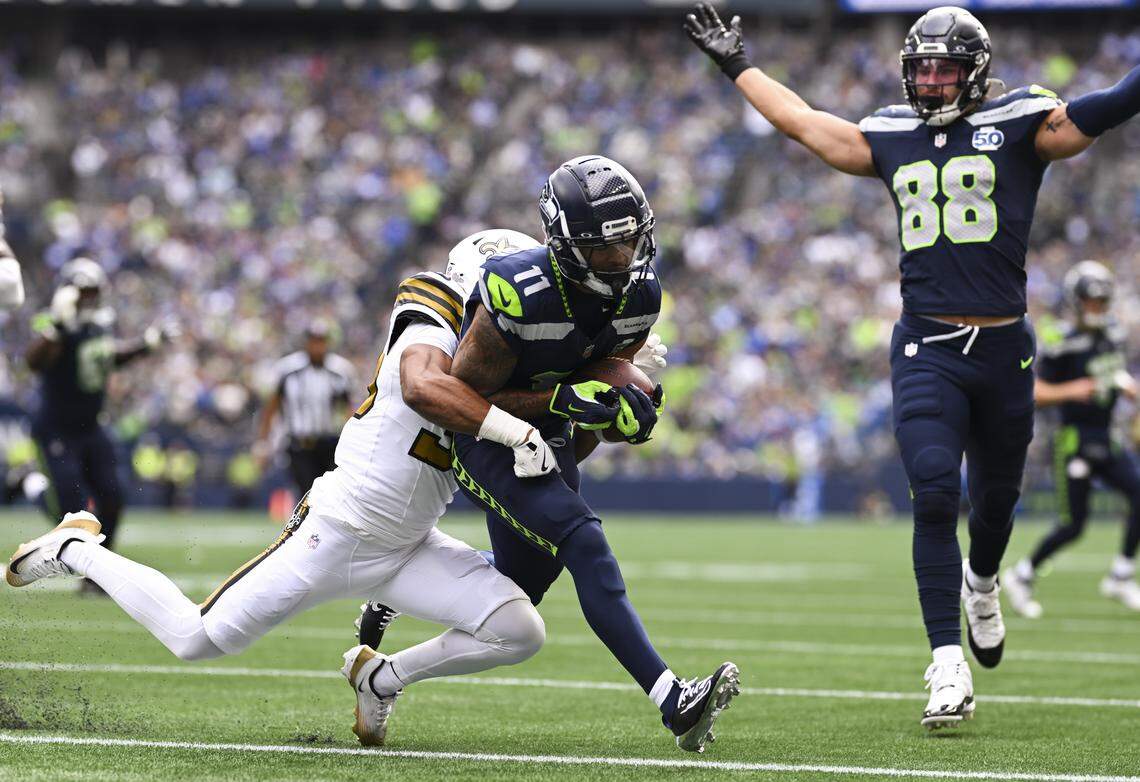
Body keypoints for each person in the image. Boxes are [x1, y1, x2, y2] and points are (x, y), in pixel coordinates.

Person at [685, 2, 1140, 728]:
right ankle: (945, 662)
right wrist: (738, 65)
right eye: (920, 67)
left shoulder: (1023, 120)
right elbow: (806, 122)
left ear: (976, 72)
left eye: (943, 68)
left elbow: (1112, 105)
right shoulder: (892, 132)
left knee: (996, 504)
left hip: (1003, 348)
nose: (929, 81)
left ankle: (983, 583)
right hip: (926, 346)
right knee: (933, 491)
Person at [6, 229, 560, 747]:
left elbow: (544, 420)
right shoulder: (429, 327)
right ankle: (75, 550)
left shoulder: (497, 365)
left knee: (519, 630)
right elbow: (427, 387)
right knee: (194, 637)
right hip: (339, 529)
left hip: (409, 545)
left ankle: (382, 679)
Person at [445, 155, 740, 753]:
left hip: (550, 430)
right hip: (489, 432)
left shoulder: (641, 296)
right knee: (582, 538)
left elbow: (601, 385)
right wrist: (562, 397)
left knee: (522, 581)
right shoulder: (517, 291)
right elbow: (463, 396)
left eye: (633, 237)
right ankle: (672, 699)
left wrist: (624, 415)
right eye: (608, 246)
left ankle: (387, 654)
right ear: (566, 246)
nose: (626, 255)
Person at [23, 258, 176, 591]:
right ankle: (33, 489)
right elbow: (34, 361)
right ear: (67, 292)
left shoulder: (99, 323)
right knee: (70, 509)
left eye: (93, 292)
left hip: (91, 426)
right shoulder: (53, 321)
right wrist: (58, 328)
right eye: (83, 292)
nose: (90, 299)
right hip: (57, 428)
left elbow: (106, 357)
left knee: (113, 497)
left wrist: (146, 344)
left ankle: (97, 574)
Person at [1005, 261, 1140, 616]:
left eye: (1101, 301)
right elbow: (1034, 390)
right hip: (1073, 438)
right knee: (1073, 525)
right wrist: (1072, 390)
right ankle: (1022, 574)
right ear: (1077, 300)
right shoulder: (1060, 338)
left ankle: (1121, 575)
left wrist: (1124, 384)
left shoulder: (1112, 333)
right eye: (1090, 301)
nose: (1096, 308)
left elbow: (1110, 370)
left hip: (1106, 435)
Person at [254, 321, 356, 496]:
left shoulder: (340, 370)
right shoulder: (287, 369)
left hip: (331, 442)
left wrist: (354, 442)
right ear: (306, 342)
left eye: (321, 341)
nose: (318, 346)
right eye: (314, 341)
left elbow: (349, 410)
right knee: (305, 494)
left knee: (330, 495)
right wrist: (263, 443)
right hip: (300, 444)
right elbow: (272, 407)